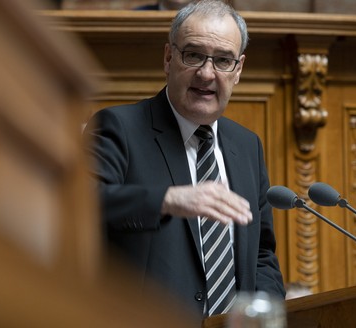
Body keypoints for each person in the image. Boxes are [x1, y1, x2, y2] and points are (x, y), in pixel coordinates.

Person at [84, 0, 285, 319]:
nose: (206, 73)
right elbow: (81, 202)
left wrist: (263, 314)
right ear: (168, 57)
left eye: (222, 60)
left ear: (238, 69)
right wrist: (167, 200)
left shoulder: (247, 146)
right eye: (193, 55)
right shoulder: (119, 127)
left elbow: (261, 255)